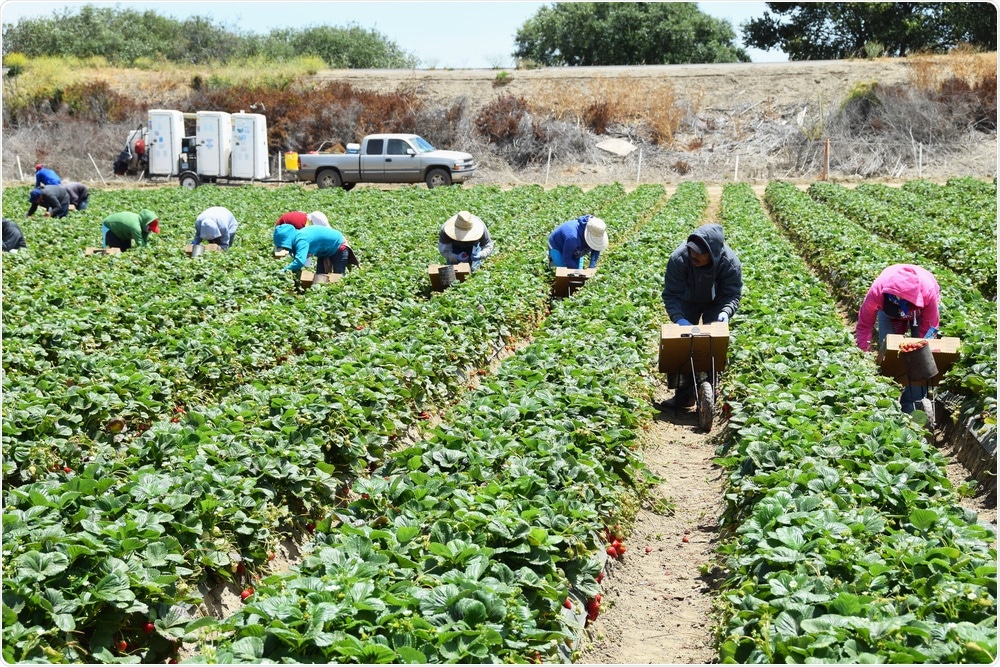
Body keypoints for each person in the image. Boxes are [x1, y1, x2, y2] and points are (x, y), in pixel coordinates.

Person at [660, 222, 743, 409]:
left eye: (699, 253)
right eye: (691, 250)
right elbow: (671, 295)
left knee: (713, 342)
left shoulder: (730, 263)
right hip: (687, 299)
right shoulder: (679, 259)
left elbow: (732, 294)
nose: (693, 255)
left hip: (717, 301)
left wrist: (725, 312)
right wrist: (679, 319)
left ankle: (710, 389)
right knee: (683, 342)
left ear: (712, 254)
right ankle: (683, 395)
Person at [856, 264, 941, 414]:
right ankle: (887, 399)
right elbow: (864, 325)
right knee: (888, 350)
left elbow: (929, 331)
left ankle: (911, 406)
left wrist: (919, 352)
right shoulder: (877, 293)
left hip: (919, 312)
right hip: (887, 310)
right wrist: (864, 353)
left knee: (921, 358)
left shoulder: (928, 293)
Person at [273, 223, 357, 276]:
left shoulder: (301, 240)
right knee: (320, 275)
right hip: (324, 251)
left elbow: (299, 261)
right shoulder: (297, 237)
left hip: (338, 246)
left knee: (338, 275)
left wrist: (285, 270)